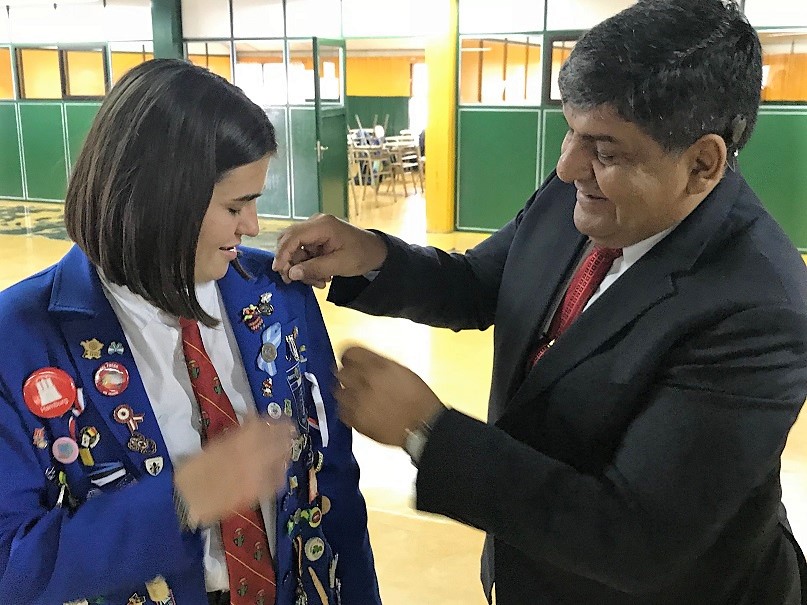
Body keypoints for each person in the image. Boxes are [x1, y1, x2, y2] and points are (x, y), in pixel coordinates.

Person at [273, 1, 807, 603]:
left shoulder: (759, 310)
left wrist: (427, 432)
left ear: (701, 164)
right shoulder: (580, 193)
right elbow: (483, 285)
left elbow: (633, 537)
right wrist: (372, 255)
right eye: (570, 130)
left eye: (605, 150)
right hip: (537, 567)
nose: (567, 165)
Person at [0, 58, 380, 605]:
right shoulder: (23, 337)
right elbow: (13, 565)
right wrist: (183, 499)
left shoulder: (277, 295)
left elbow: (335, 484)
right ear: (161, 203)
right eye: (234, 205)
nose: (252, 225)